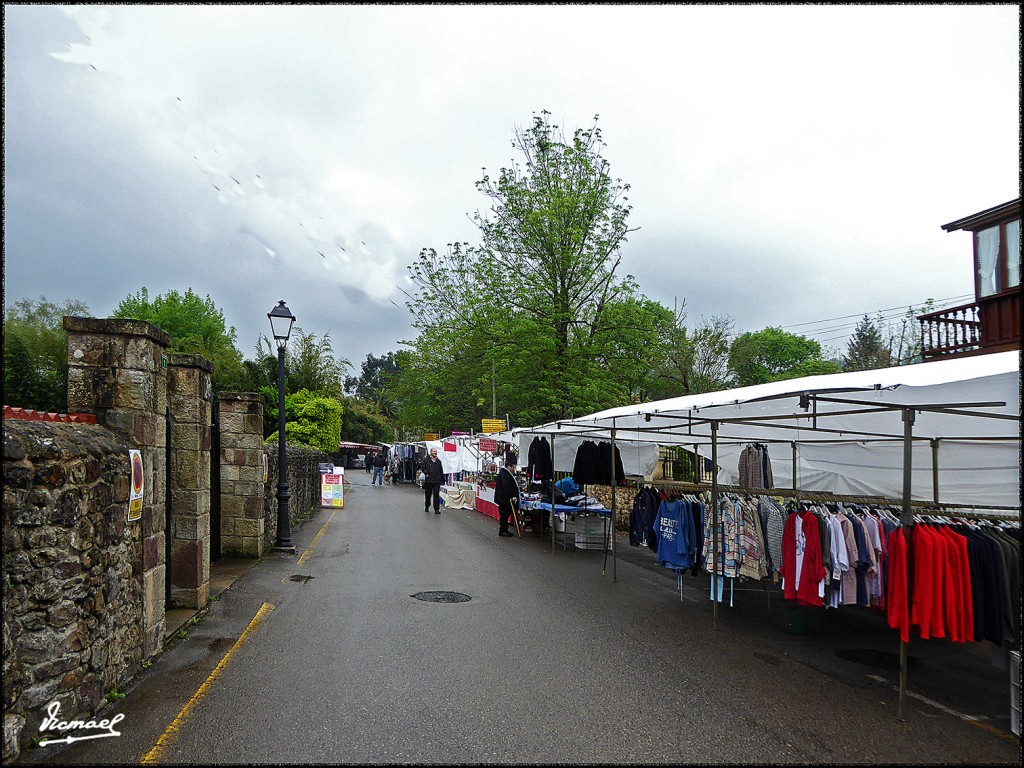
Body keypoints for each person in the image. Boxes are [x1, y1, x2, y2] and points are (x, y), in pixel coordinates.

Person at [494, 455, 521, 537]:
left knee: (505, 514)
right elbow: (507, 488)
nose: (514, 469)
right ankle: (503, 530)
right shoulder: (505, 475)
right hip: (505, 499)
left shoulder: (504, 473)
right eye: (513, 467)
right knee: (504, 514)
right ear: (509, 466)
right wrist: (512, 496)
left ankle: (504, 529)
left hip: (503, 498)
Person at [421, 447, 444, 513]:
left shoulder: (438, 461)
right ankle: (427, 506)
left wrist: (443, 480)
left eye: (436, 451)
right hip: (429, 481)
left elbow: (441, 471)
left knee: (436, 495)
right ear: (430, 452)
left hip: (436, 481)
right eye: (434, 451)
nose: (435, 453)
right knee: (428, 495)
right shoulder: (426, 460)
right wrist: (426, 473)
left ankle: (436, 509)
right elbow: (422, 467)